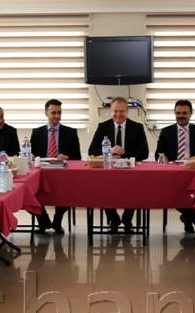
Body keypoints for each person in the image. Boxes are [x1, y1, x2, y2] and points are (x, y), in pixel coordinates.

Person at [87, 96, 150, 232]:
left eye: (122, 111)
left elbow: (144, 153)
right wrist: (110, 150)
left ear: (127, 111)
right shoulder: (103, 127)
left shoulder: (137, 127)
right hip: (108, 171)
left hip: (130, 171)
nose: (118, 114)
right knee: (102, 188)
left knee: (136, 188)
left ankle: (127, 219)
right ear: (111, 111)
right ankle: (113, 219)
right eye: (115, 111)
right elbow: (92, 150)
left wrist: (123, 152)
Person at [154, 99, 195, 233]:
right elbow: (158, 154)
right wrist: (163, 157)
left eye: (184, 113)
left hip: (194, 172)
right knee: (175, 194)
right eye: (178, 113)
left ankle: (188, 218)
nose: (181, 116)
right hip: (174, 174)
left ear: (191, 114)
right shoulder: (166, 132)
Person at [29, 99, 81, 234]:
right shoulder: (37, 132)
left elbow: (77, 157)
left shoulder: (70, 132)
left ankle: (57, 220)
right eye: (53, 113)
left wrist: (67, 157)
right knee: (31, 190)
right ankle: (43, 221)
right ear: (46, 113)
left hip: (62, 173)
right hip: (41, 173)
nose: (57, 116)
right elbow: (31, 155)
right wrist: (32, 156)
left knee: (70, 190)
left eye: (59, 113)